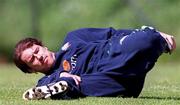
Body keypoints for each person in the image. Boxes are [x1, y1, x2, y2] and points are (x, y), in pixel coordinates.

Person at [13, 26, 176, 100]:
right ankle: (65, 86)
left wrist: (157, 34)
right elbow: (43, 84)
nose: (38, 57)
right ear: (31, 70)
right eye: (32, 60)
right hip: (112, 82)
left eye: (36, 51)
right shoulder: (45, 81)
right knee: (68, 84)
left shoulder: (73, 38)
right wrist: (61, 75)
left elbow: (113, 33)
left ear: (43, 46)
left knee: (147, 39)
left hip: (111, 55)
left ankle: (151, 35)